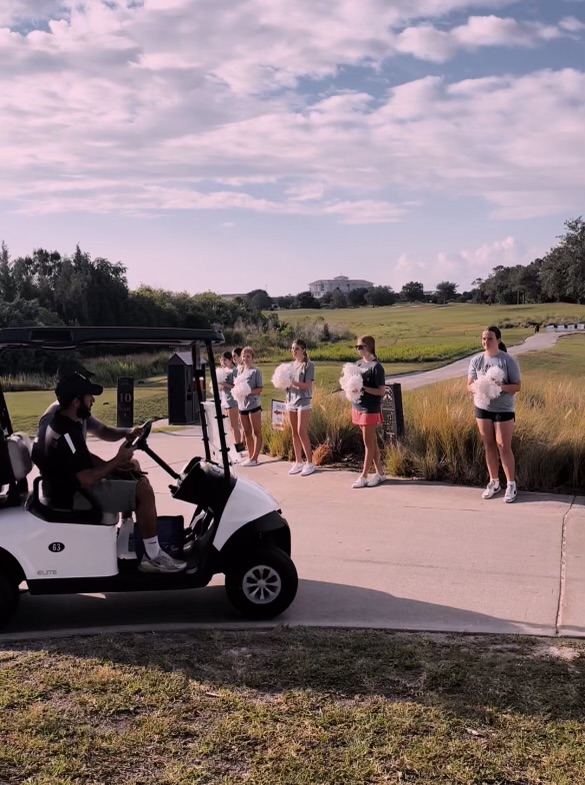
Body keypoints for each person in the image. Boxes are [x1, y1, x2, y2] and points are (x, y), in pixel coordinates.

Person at [40, 373, 186, 573]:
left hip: (71, 487)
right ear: (76, 402)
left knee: (132, 468)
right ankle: (153, 557)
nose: (93, 401)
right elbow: (88, 479)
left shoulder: (68, 423)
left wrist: (119, 467)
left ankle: (124, 542)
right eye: (88, 397)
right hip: (73, 496)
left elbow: (85, 459)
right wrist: (117, 460)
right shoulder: (65, 433)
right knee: (143, 490)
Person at [467, 325, 522, 503]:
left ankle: (511, 484)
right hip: (482, 408)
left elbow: (517, 386)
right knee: (488, 445)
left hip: (503, 409)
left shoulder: (507, 361)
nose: (485, 341)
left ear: (498, 340)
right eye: (483, 338)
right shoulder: (476, 360)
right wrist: (478, 387)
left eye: (489, 338)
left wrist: (498, 388)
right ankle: (494, 482)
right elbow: (469, 385)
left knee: (502, 445)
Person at [351, 336, 386, 488]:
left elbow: (381, 391)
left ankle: (364, 476)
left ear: (369, 347)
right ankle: (380, 474)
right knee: (372, 443)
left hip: (370, 409)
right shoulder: (358, 364)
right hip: (358, 406)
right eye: (357, 347)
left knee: (368, 444)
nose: (359, 349)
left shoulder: (376, 367)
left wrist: (364, 389)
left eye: (361, 346)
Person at [286, 339, 316, 476]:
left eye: (296, 348)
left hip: (303, 401)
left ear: (303, 349)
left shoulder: (309, 365)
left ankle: (310, 463)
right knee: (294, 432)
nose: (294, 351)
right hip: (291, 401)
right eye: (292, 348)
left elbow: (307, 386)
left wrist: (292, 382)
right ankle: (298, 462)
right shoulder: (291, 365)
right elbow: (287, 385)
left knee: (301, 431)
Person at [238, 346, 263, 466]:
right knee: (247, 432)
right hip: (242, 406)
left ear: (252, 358)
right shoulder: (240, 371)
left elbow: (259, 389)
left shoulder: (256, 372)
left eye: (248, 356)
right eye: (244, 356)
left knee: (256, 431)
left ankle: (255, 458)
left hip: (253, 405)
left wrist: (248, 391)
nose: (245, 358)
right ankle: (250, 456)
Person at [218, 350, 245, 454]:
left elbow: (235, 386)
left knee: (235, 426)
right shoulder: (224, 371)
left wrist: (224, 384)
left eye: (225, 359)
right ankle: (236, 446)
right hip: (225, 401)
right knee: (231, 426)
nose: (223, 362)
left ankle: (239, 449)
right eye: (222, 360)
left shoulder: (234, 371)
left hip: (233, 401)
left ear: (230, 360)